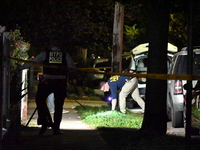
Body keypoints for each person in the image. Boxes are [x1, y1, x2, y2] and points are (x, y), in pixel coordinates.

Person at [21, 37, 76, 135]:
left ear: (50, 45)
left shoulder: (45, 54)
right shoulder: (65, 55)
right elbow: (72, 68)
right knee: (59, 106)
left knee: (40, 100)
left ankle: (44, 121)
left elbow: (32, 62)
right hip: (60, 82)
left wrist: (21, 67)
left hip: (47, 82)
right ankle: (56, 128)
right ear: (59, 45)